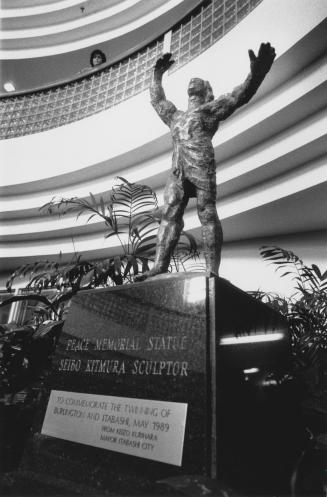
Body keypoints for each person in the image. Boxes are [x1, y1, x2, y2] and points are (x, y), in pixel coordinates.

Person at [137, 43, 276, 281]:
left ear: (205, 90)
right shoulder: (175, 116)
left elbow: (238, 95)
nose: (193, 80)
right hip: (177, 171)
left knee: (207, 213)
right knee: (170, 215)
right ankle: (159, 266)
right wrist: (156, 75)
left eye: (199, 81)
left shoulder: (210, 111)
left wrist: (257, 73)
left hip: (201, 164)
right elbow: (158, 100)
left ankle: (212, 269)